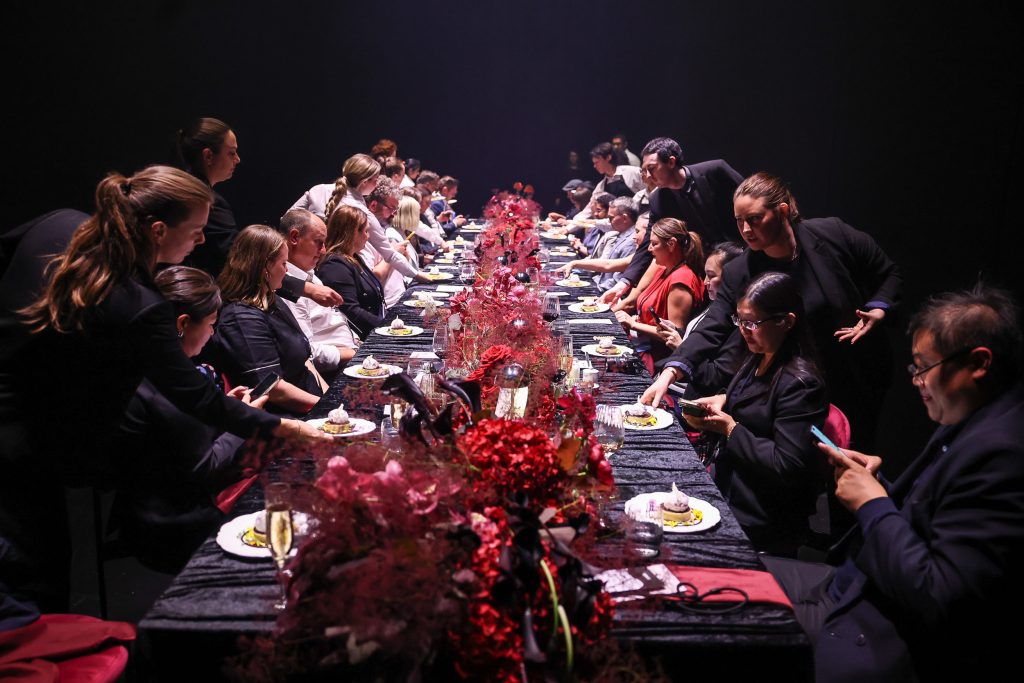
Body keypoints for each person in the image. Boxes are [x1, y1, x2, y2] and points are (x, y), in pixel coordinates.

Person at [0, 166, 317, 612]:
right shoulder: (140, 305)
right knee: (36, 583)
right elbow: (198, 397)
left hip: (19, 421)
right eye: (196, 230)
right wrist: (289, 428)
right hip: (32, 446)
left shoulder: (60, 222)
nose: (203, 240)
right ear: (158, 231)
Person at [765, 284, 1024, 682]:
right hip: (852, 581)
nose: (916, 381)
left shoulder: (1004, 454)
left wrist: (871, 503)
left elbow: (936, 594)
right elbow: (925, 513)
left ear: (979, 362)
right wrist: (876, 483)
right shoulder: (972, 418)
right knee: (732, 570)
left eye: (923, 367)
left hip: (878, 625)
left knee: (727, 621)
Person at [644, 173, 902, 449]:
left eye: (754, 219)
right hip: (791, 387)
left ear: (782, 211)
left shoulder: (832, 234)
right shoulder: (740, 271)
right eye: (739, 221)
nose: (745, 229)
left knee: (856, 449)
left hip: (853, 371)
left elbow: (889, 274)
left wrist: (878, 308)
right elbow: (713, 325)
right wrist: (671, 372)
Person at [114, 266, 267, 572]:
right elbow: (206, 464)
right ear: (182, 324)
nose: (213, 334)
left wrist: (224, 408)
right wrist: (243, 421)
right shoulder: (163, 384)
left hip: (167, 503)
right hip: (175, 525)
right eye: (211, 324)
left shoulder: (149, 365)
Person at [684, 272, 828, 556]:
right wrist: (722, 399)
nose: (743, 330)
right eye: (739, 320)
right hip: (727, 483)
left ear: (787, 321)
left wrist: (730, 429)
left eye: (752, 323)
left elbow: (787, 463)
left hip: (759, 511)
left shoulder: (801, 384)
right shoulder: (759, 355)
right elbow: (753, 400)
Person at [601, 137, 743, 306]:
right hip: (704, 269)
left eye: (652, 168)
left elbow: (753, 199)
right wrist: (624, 283)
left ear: (671, 162)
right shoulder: (658, 199)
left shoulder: (715, 170)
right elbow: (647, 243)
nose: (648, 176)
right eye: (645, 170)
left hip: (743, 255)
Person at [207, 225, 326, 415]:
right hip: (285, 418)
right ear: (265, 267)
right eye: (284, 264)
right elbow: (273, 389)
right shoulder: (241, 318)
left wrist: (331, 396)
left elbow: (304, 362)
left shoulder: (272, 298)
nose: (286, 271)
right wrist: (329, 406)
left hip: (314, 401)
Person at [614, 218, 704, 374]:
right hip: (641, 346)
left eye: (654, 244)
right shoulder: (663, 269)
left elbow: (672, 336)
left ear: (671, 244)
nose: (649, 249)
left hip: (657, 362)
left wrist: (633, 324)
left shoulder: (681, 279)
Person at [657, 242, 746, 396]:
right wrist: (677, 331)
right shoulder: (713, 304)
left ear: (731, 278)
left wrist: (681, 347)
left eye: (711, 276)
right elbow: (698, 339)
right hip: (681, 385)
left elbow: (714, 377)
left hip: (696, 397)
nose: (705, 282)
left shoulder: (739, 321)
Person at [277, 209, 359, 376]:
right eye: (318, 242)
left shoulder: (309, 274)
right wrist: (353, 354)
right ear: (294, 237)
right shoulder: (288, 290)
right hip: (334, 371)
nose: (323, 251)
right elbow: (307, 353)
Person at [176, 117, 241, 277]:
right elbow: (237, 258)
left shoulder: (181, 188)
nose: (237, 159)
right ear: (208, 156)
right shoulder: (208, 201)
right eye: (231, 153)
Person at [316, 205, 387, 340]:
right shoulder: (335, 265)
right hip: (359, 340)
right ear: (354, 232)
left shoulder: (353, 257)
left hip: (373, 333)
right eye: (366, 231)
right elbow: (349, 310)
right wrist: (386, 325)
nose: (368, 236)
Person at [557, 197, 638, 291]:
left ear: (624, 218)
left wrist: (575, 264)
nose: (608, 222)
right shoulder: (622, 234)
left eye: (611, 218)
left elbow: (612, 272)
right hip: (601, 284)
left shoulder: (632, 241)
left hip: (607, 291)